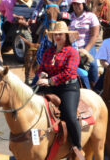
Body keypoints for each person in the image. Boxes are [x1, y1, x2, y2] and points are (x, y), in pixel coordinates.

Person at [35, 23, 84, 158]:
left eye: (60, 34)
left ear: (66, 36)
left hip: (68, 88)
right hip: (50, 86)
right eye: (55, 34)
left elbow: (69, 72)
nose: (57, 37)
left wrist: (50, 80)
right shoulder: (48, 51)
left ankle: (76, 147)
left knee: (69, 115)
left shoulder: (72, 52)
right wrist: (42, 74)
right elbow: (42, 68)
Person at [68, 0, 101, 89]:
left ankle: (95, 87)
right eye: (74, 4)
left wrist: (86, 50)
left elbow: (95, 35)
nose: (76, 6)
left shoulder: (91, 16)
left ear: (83, 4)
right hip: (71, 47)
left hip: (87, 45)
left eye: (78, 4)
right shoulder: (69, 17)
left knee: (93, 65)